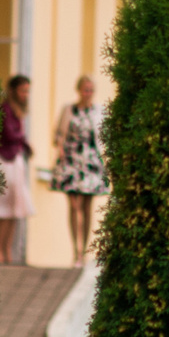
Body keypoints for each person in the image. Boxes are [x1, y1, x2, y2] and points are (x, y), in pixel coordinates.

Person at [49, 74, 108, 265]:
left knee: (87, 206)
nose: (88, 93)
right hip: (72, 160)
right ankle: (77, 251)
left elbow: (103, 135)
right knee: (74, 205)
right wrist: (59, 144)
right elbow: (58, 133)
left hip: (90, 161)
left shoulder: (99, 111)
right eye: (85, 89)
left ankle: (84, 249)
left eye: (91, 90)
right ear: (79, 90)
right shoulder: (69, 109)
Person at [0, 74, 33, 265]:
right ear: (13, 91)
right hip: (4, 161)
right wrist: (22, 139)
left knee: (16, 207)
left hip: (15, 160)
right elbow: (8, 134)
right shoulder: (5, 109)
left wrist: (25, 144)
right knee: (4, 207)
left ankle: (8, 249)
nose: (25, 95)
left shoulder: (18, 111)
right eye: (23, 90)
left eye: (27, 91)